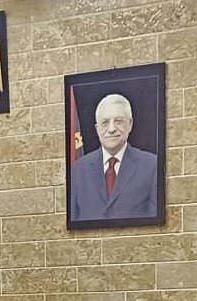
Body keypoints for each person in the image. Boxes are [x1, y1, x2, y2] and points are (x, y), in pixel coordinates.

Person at [68, 93, 159, 222]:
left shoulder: (152, 166)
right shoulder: (78, 169)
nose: (111, 129)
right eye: (105, 122)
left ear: (130, 124)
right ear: (97, 128)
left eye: (118, 121)